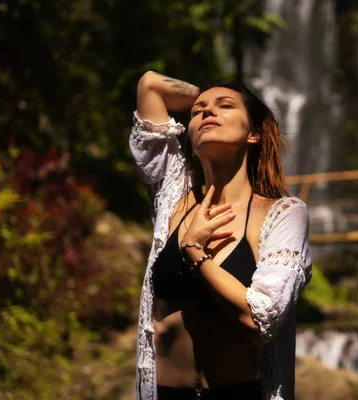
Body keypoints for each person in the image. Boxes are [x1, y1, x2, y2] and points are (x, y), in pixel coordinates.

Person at [129, 71, 312, 400]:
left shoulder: (283, 214)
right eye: (197, 111)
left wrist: (194, 251)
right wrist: (215, 97)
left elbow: (257, 319)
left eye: (224, 107)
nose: (206, 113)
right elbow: (150, 85)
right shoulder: (173, 196)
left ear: (254, 133)